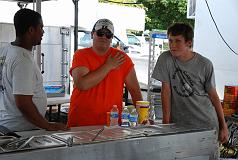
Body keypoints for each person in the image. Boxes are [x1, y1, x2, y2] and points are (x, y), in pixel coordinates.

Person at [152, 22, 228, 144]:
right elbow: (166, 91)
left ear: (189, 43)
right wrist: (165, 124)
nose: (172, 45)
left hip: (205, 123)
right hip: (178, 125)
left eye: (178, 41)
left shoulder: (204, 64)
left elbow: (213, 96)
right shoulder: (165, 58)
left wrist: (223, 126)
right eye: (170, 41)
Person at [0, 8, 68, 131]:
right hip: (20, 130)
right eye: (41, 28)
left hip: (7, 124)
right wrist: (47, 125)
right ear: (31, 30)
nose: (43, 32)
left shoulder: (5, 50)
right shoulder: (22, 59)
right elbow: (23, 103)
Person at [68, 18, 142, 127]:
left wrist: (142, 118)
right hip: (81, 123)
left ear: (112, 38)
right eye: (100, 33)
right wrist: (108, 66)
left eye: (108, 35)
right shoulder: (81, 55)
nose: (104, 37)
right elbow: (82, 84)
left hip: (112, 124)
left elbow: (135, 92)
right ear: (92, 34)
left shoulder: (122, 58)